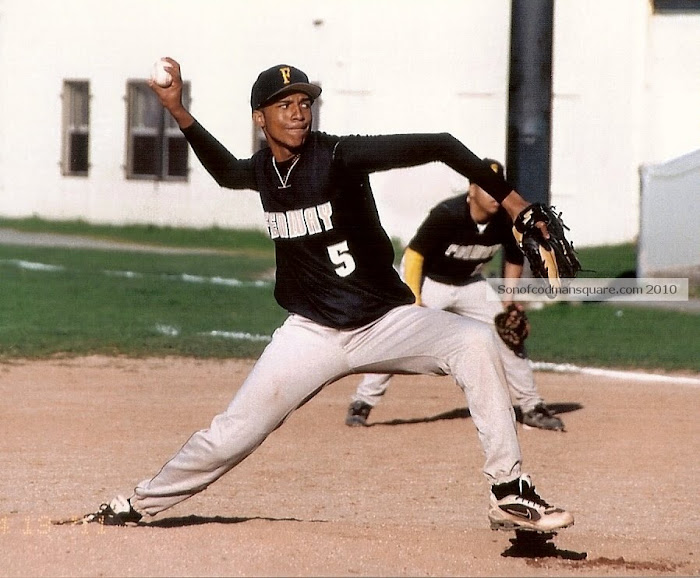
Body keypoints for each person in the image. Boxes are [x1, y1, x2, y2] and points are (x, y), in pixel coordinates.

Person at [82, 59, 574, 534]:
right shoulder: (263, 172)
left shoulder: (337, 156)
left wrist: (517, 206)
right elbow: (226, 171)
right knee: (233, 433)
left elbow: (440, 144)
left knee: (475, 342)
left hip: (383, 323)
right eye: (283, 104)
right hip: (311, 335)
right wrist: (176, 107)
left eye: (304, 101)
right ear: (260, 118)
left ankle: (510, 492)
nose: (298, 112)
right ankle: (137, 503)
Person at [345, 159, 565, 431]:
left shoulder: (506, 219)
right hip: (430, 281)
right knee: (399, 335)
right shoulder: (447, 214)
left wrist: (508, 303)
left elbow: (514, 258)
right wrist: (414, 301)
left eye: (498, 187)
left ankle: (532, 406)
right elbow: (414, 257)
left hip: (470, 284)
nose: (494, 194)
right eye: (486, 187)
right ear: (472, 189)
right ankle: (362, 402)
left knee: (509, 336)